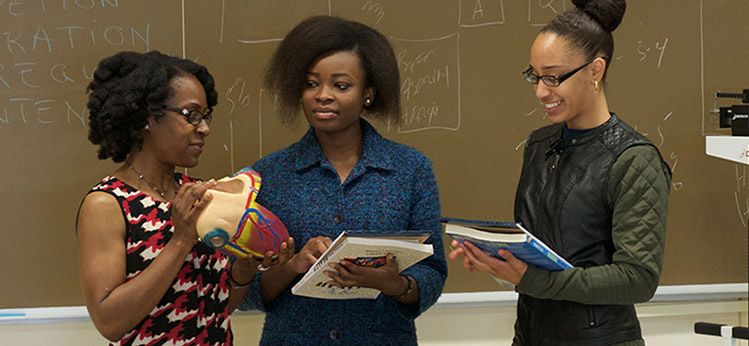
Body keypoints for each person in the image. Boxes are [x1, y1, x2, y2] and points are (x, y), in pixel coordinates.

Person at [449, 0, 671, 345]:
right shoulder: (540, 144)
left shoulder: (633, 159)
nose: (540, 91)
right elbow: (542, 247)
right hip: (530, 335)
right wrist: (498, 259)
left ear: (595, 70)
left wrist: (532, 279)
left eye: (553, 77)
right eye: (534, 76)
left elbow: (638, 278)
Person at [237, 16, 447, 345]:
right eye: (310, 84)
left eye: (341, 85)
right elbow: (244, 290)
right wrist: (292, 266)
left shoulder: (410, 169)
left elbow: (433, 272)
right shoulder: (268, 175)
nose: (322, 95)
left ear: (368, 94)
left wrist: (394, 284)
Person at [76, 51, 287, 345]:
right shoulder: (108, 204)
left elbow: (215, 308)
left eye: (205, 116)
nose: (205, 128)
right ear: (147, 117)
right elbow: (110, 323)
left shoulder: (199, 193)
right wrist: (181, 240)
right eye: (191, 115)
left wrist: (245, 268)